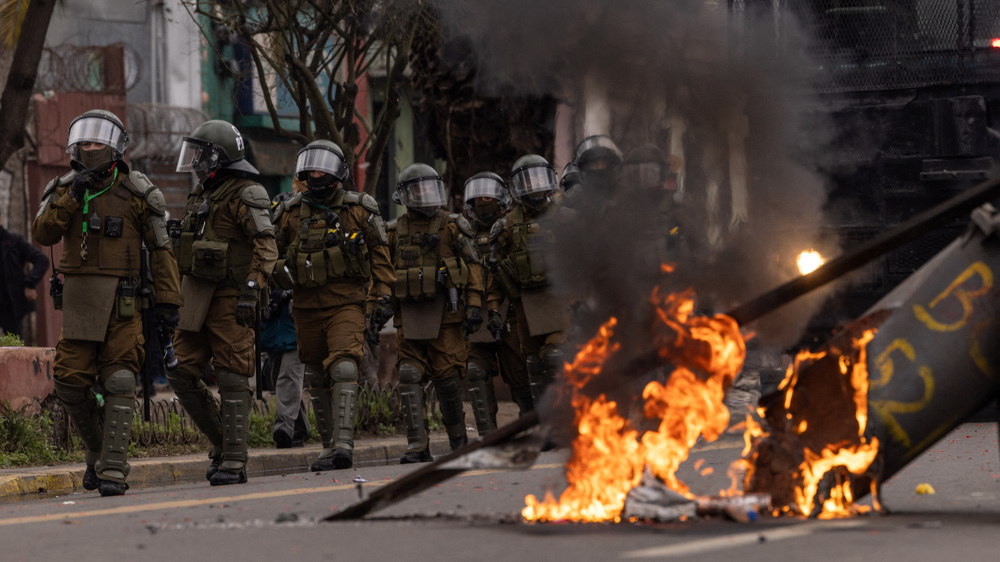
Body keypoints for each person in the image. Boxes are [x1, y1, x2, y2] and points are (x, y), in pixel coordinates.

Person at [31, 109, 183, 496]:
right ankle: (98, 453)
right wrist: (72, 198)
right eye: (85, 141)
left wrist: (169, 301)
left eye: (98, 141)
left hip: (124, 303)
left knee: (119, 380)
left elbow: (161, 250)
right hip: (80, 305)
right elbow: (43, 233)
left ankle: (113, 470)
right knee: (67, 381)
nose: (90, 147)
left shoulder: (138, 192)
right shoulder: (64, 189)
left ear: (115, 146)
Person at [271, 139, 394, 470]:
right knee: (314, 372)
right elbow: (267, 251)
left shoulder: (358, 209)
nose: (316, 172)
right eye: (311, 166)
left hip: (347, 304)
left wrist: (383, 295)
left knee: (343, 366)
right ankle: (328, 447)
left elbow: (382, 256)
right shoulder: (291, 212)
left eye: (323, 166)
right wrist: (262, 285)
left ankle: (343, 444)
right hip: (306, 306)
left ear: (337, 172)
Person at [168, 119, 278, 486]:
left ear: (220, 157)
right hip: (196, 295)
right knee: (179, 370)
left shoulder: (245, 193)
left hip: (232, 295)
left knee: (232, 376)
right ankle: (222, 442)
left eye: (201, 154)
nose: (195, 162)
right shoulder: (202, 194)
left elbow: (266, 244)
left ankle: (234, 460)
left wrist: (252, 287)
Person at [385, 163, 484, 463]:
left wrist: (476, 305)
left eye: (429, 188)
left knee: (448, 381)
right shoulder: (394, 231)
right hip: (410, 318)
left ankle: (458, 440)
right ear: (405, 195)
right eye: (418, 190)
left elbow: (474, 266)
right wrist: (375, 307)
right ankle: (417, 445)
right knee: (408, 374)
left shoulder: (452, 226)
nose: (425, 195)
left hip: (447, 319)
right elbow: (381, 272)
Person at [488, 155, 567, 405]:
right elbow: (496, 271)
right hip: (526, 307)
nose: (533, 186)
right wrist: (492, 310)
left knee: (554, 356)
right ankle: (543, 422)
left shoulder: (567, 218)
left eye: (537, 179)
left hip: (561, 302)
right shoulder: (508, 225)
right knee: (533, 363)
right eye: (527, 181)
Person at [462, 172, 532, 433]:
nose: (483, 201)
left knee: (519, 374)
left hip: (511, 313)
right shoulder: (462, 232)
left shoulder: (511, 227)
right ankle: (487, 434)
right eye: (478, 197)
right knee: (475, 372)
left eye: (488, 196)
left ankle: (532, 425)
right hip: (476, 314)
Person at [262, 286, 311, 448]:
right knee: (277, 380)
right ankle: (299, 429)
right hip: (273, 327)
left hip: (296, 326)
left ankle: (283, 427)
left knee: (289, 377)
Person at [0, 213, 49, 338]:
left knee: (15, 349)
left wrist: (30, 283)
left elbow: (42, 260)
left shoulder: (14, 242)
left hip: (10, 307)